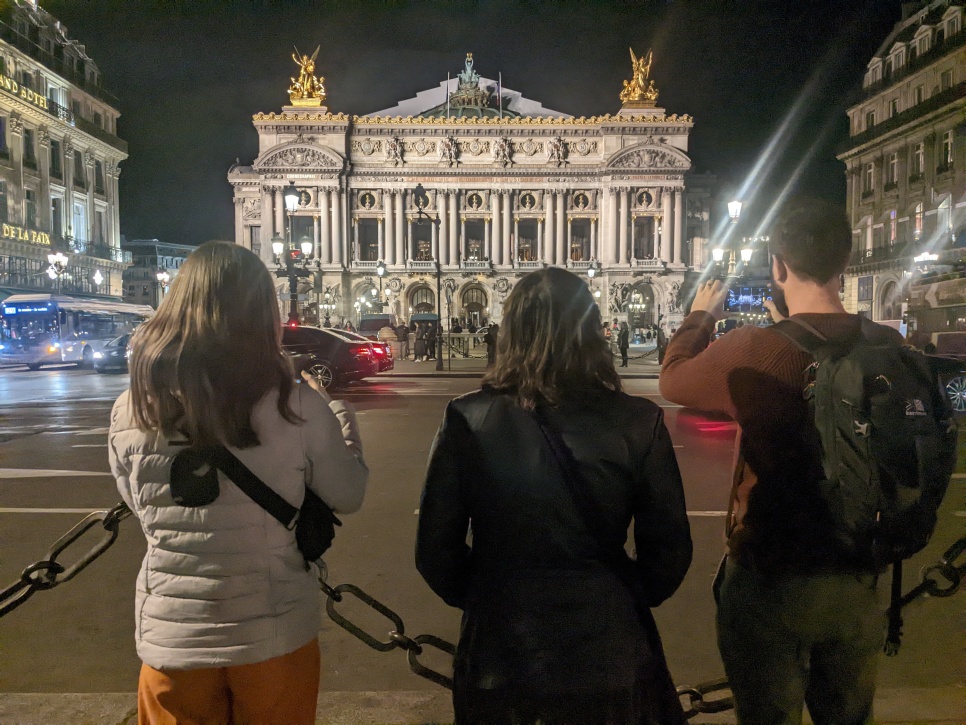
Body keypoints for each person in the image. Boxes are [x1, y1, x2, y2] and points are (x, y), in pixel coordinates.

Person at [659, 201, 902, 725]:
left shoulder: (752, 348)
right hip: (859, 572)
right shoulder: (890, 346)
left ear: (777, 265)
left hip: (770, 572)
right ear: (846, 262)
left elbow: (673, 376)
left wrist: (701, 315)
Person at [108, 241, 369, 725]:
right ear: (261, 314)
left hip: (173, 640)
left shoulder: (132, 406)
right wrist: (336, 411)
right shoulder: (295, 405)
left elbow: (137, 503)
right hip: (272, 636)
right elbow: (347, 493)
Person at [417, 267, 692, 724]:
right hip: (609, 643)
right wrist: (617, 594)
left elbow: (434, 552)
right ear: (591, 331)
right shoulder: (639, 421)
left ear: (510, 332)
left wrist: (491, 594)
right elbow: (669, 553)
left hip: (502, 646)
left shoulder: (467, 419)